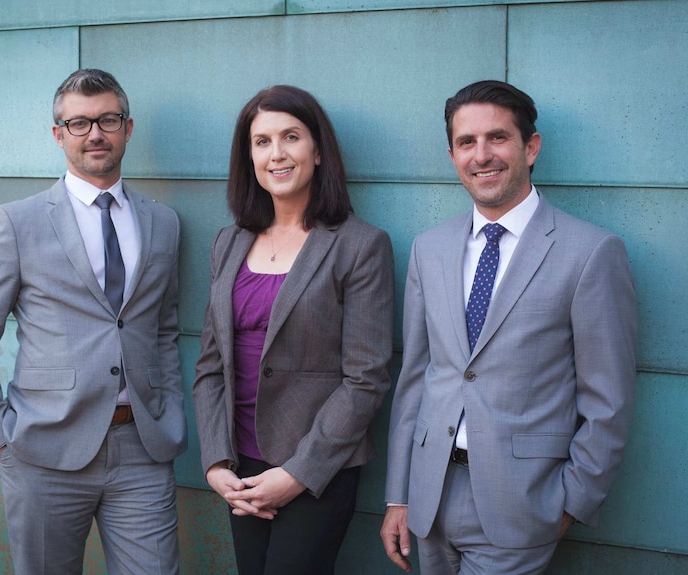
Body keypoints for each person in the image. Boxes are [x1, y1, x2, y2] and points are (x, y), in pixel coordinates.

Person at [380, 80, 637, 574]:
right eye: (466, 142)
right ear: (452, 155)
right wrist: (399, 494)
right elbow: (416, 377)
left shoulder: (590, 252)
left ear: (531, 146)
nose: (482, 155)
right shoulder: (429, 249)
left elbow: (609, 401)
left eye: (497, 138)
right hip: (428, 498)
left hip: (522, 504)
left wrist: (569, 503)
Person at [0, 68, 186, 575]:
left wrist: (170, 412)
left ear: (128, 127)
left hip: (142, 451)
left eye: (107, 120)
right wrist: (0, 436)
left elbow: (163, 330)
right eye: (78, 123)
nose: (94, 133)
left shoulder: (163, 223)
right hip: (43, 452)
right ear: (59, 135)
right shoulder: (17, 222)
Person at [193, 84, 394, 575]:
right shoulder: (228, 243)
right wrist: (217, 462)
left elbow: (365, 379)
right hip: (241, 468)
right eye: (262, 142)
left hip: (317, 469)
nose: (276, 154)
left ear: (318, 150)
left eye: (291, 137)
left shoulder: (359, 246)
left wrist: (298, 474)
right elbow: (211, 366)